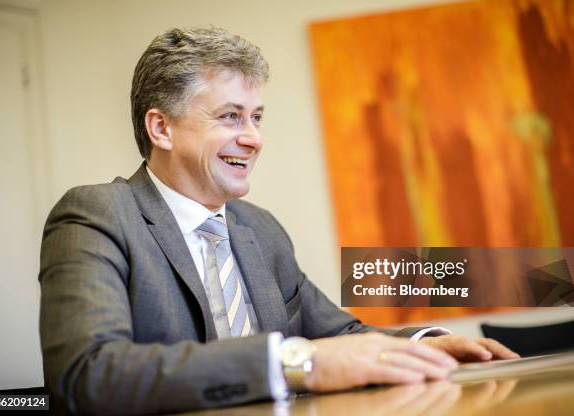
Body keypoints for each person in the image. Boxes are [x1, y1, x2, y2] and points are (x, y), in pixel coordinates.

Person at [38, 27, 518, 415]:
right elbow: (87, 375)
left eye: (256, 118)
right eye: (230, 117)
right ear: (161, 128)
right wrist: (295, 363)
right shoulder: (96, 213)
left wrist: (427, 343)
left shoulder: (259, 228)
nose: (253, 138)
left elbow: (336, 336)